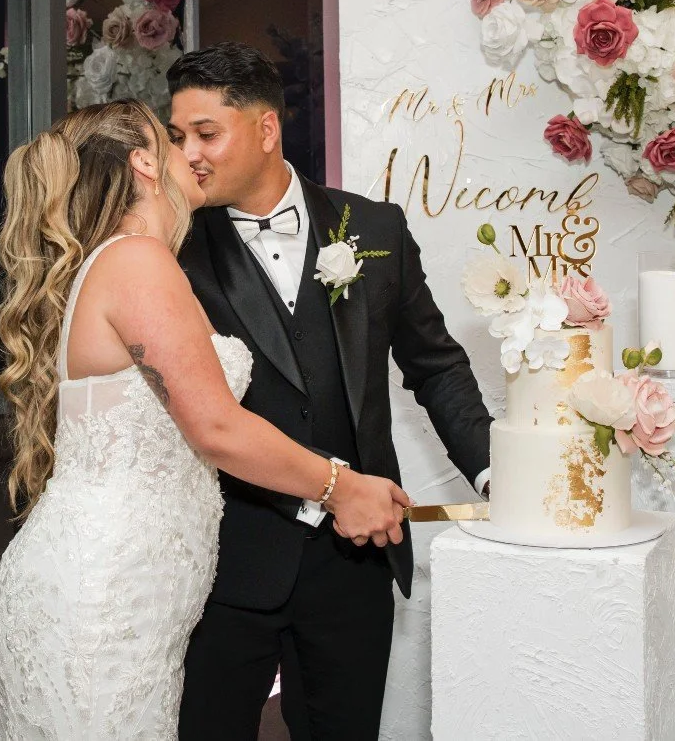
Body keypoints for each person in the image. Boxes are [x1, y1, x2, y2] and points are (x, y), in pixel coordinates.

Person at [0, 100, 410, 738]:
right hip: (107, 595)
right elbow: (215, 428)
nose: (191, 153)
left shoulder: (126, 259)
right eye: (172, 139)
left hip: (130, 592)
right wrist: (340, 487)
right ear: (144, 163)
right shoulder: (136, 260)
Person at [168, 43, 493, 740]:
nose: (188, 154)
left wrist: (496, 469)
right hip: (224, 564)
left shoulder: (374, 228)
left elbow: (435, 365)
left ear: (265, 129)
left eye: (205, 133)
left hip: (353, 558)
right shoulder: (171, 248)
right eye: (178, 136)